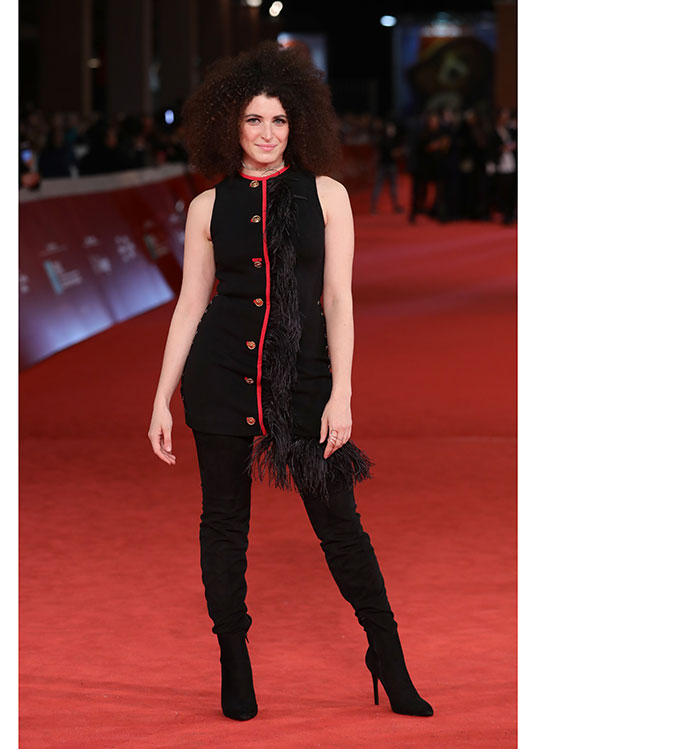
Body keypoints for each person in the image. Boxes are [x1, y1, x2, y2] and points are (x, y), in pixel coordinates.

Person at [147, 40, 433, 721]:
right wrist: (160, 398)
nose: (267, 132)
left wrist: (343, 392)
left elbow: (338, 300)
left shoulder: (326, 195)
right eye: (254, 119)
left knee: (341, 527)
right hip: (220, 374)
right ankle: (234, 660)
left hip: (304, 377)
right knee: (224, 525)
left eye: (278, 120)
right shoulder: (206, 206)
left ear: (296, 123)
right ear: (231, 125)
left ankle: (387, 655)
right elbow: (190, 304)